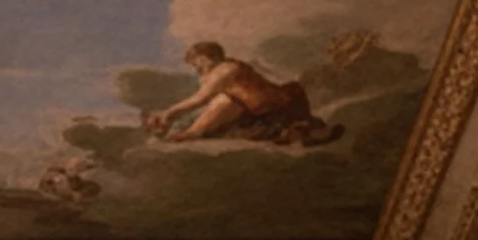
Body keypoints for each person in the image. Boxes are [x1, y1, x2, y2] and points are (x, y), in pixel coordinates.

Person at [143, 41, 341, 146]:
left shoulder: (225, 70)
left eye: (197, 62)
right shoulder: (227, 68)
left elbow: (200, 99)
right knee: (225, 102)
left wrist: (168, 113)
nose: (196, 67)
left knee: (225, 100)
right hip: (258, 113)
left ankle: (191, 133)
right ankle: (189, 132)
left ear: (209, 57)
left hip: (273, 111)